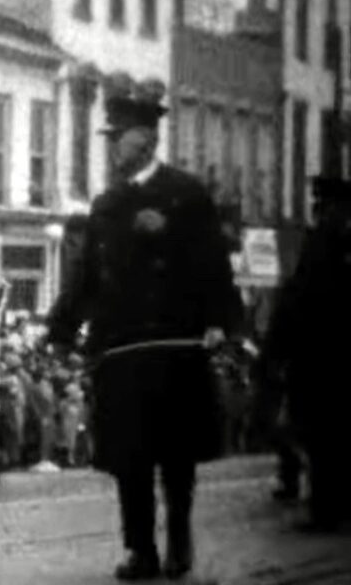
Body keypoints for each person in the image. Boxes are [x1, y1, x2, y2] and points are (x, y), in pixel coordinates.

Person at [46, 91, 238, 581]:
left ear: (148, 140)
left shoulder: (186, 195)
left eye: (120, 137)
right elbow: (86, 275)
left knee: (176, 455)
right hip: (122, 348)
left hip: (174, 345)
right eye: (111, 137)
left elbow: (215, 265)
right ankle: (140, 549)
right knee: (129, 457)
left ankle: (179, 541)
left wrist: (217, 319)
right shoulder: (107, 204)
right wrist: (61, 329)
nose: (113, 145)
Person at [260, 176, 351, 532]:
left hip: (319, 356)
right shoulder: (331, 240)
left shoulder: (323, 242)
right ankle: (332, 504)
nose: (315, 209)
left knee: (322, 435)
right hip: (326, 355)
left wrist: (275, 350)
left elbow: (298, 299)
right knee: (327, 434)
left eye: (320, 203)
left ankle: (327, 508)